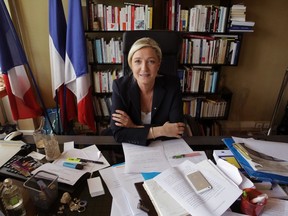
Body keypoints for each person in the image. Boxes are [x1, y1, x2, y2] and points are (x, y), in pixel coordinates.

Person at [110, 37, 185, 146]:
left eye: (151, 61)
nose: (144, 68)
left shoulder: (172, 86)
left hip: (163, 149)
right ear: (131, 64)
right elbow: (118, 134)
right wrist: (161, 130)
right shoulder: (120, 87)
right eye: (138, 61)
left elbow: (176, 130)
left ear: (158, 64)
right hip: (130, 149)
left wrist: (133, 127)